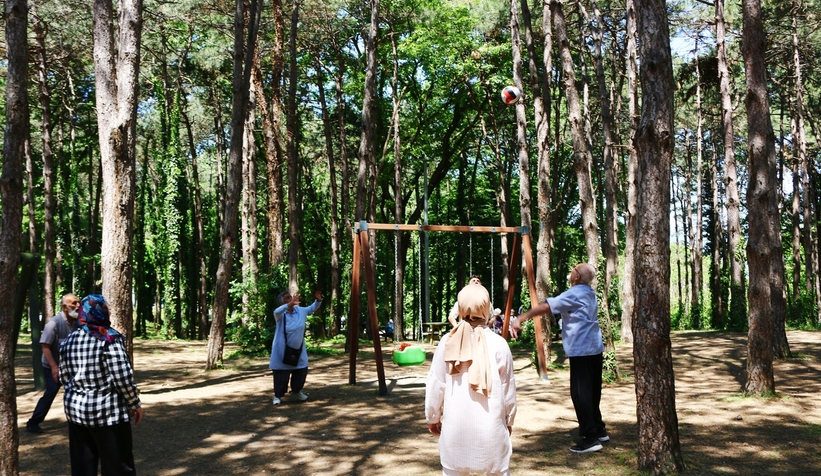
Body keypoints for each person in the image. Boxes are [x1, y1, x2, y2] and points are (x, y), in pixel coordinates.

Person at [510, 263, 607, 454]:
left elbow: (546, 307)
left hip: (582, 350)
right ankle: (599, 429)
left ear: (577, 276)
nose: (571, 271)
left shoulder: (575, 293)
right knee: (592, 391)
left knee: (580, 394)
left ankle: (591, 438)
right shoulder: (589, 292)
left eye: (573, 269)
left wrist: (520, 318)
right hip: (594, 349)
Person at [426, 284, 517, 476]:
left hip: (455, 435)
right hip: (491, 432)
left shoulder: (446, 342)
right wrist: (509, 421)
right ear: (487, 308)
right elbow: (508, 389)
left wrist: (433, 417)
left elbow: (436, 384)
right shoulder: (499, 344)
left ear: (460, 307)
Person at [59, 294, 143, 475]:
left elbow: (63, 377)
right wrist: (134, 403)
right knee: (118, 467)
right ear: (102, 311)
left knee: (82, 468)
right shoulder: (109, 339)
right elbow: (122, 377)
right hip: (108, 415)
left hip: (77, 414)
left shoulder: (68, 341)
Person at [26, 293, 81, 434]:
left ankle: (77, 421)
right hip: (52, 366)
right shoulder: (54, 324)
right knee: (51, 392)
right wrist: (54, 367)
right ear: (64, 307)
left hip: (69, 366)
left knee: (76, 392)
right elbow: (45, 346)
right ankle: (33, 422)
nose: (78, 306)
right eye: (74, 303)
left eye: (78, 303)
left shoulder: (77, 323)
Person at [269, 289, 323, 405]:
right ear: (282, 303)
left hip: (299, 349)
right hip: (282, 349)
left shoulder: (300, 311)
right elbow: (276, 311)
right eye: (287, 298)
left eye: (291, 297)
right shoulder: (280, 314)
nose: (291, 299)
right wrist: (290, 304)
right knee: (281, 374)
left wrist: (318, 300)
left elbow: (311, 308)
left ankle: (296, 391)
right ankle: (278, 396)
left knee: (302, 369)